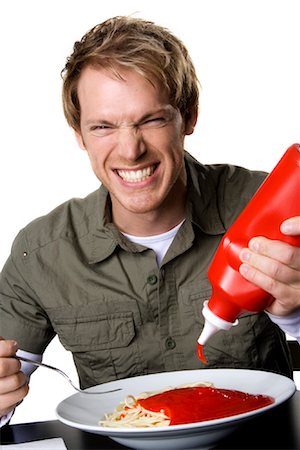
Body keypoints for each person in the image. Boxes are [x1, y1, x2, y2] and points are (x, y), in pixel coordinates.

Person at [0, 15, 299, 425]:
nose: (130, 150)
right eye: (103, 126)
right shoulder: (42, 251)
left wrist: (296, 315)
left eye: (151, 119)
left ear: (188, 116)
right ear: (79, 134)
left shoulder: (272, 208)